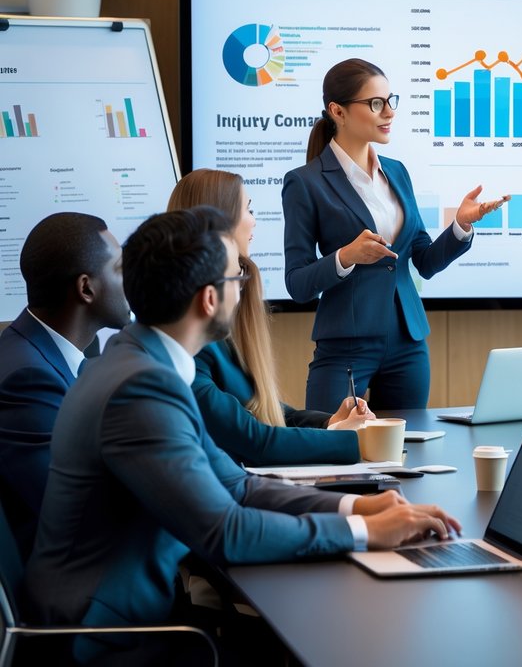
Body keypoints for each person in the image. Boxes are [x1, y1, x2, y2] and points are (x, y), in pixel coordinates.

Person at [25, 207, 459, 661]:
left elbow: (237, 485)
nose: (245, 288)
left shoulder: (139, 361)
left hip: (128, 615)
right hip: (104, 637)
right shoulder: (141, 386)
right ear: (209, 299)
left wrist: (358, 504)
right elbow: (226, 532)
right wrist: (364, 531)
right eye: (238, 278)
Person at [283, 58, 508, 411]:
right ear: (337, 111)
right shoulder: (305, 182)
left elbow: (424, 260)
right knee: (328, 449)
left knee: (408, 456)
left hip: (408, 341)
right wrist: (346, 257)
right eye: (375, 103)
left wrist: (461, 226)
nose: (389, 112)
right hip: (345, 347)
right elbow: (297, 284)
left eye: (392, 101)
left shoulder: (397, 172)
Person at [169, 169, 372, 466]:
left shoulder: (216, 324)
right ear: (220, 223)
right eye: (248, 209)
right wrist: (347, 438)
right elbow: (255, 439)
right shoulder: (188, 339)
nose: (254, 220)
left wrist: (332, 424)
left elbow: (265, 409)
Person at [0, 213, 129, 559]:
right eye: (119, 269)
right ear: (86, 288)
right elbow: (78, 515)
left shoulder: (51, 358)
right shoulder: (27, 379)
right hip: (79, 595)